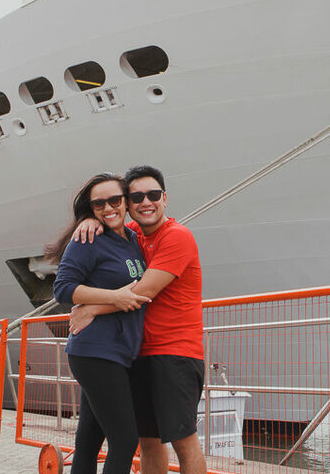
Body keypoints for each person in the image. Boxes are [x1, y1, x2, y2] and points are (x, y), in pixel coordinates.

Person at [70, 165, 205, 474]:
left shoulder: (177, 236)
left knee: (184, 441)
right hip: (139, 354)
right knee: (148, 441)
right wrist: (91, 219)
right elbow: (108, 218)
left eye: (153, 195)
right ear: (129, 204)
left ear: (165, 198)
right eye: (137, 197)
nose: (146, 202)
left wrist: (91, 307)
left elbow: (145, 291)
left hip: (176, 353)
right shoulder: (132, 236)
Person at [50, 173, 151, 474]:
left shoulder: (134, 238)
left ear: (125, 201)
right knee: (124, 439)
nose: (108, 208)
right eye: (98, 204)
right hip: (96, 351)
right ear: (90, 208)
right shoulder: (89, 239)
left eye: (114, 200)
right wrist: (114, 297)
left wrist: (100, 305)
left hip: (119, 351)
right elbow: (63, 288)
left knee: (89, 439)